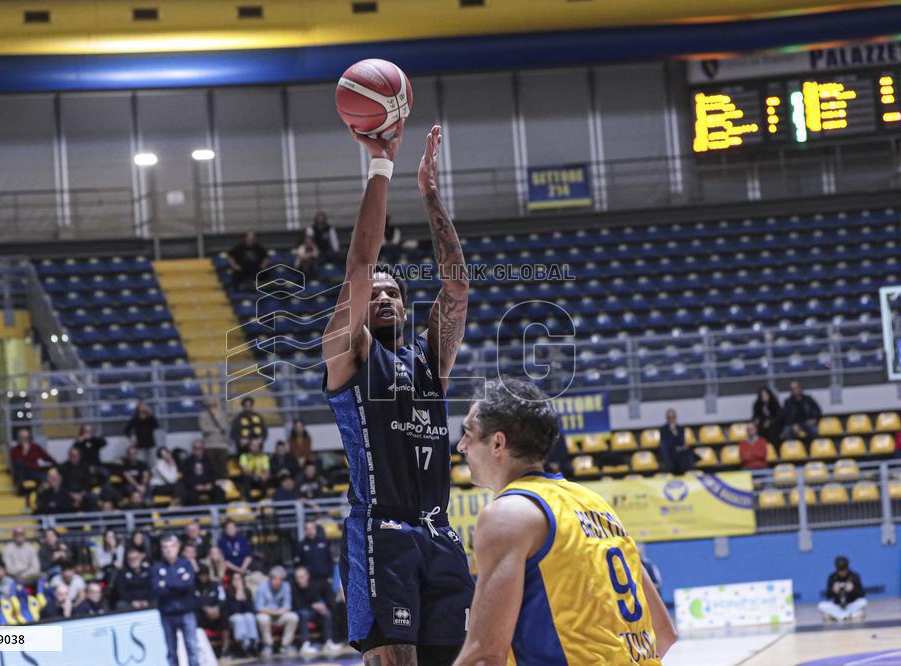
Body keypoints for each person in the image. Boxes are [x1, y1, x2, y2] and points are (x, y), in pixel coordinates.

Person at [323, 123, 475, 663]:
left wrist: (430, 193)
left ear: (406, 308)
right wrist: (381, 167)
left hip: (439, 531)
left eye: (395, 293)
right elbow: (361, 266)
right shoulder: (349, 354)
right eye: (376, 294)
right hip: (380, 531)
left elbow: (455, 287)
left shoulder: (429, 360)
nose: (384, 297)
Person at [453, 378, 677, 665]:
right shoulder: (595, 504)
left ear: (498, 443)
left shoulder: (508, 515)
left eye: (468, 434)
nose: (461, 446)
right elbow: (663, 633)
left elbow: (484, 656)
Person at [152, 533, 200, 666]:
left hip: (186, 611)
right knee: (171, 651)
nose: (168, 550)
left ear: (178, 548)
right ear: (161, 550)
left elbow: (188, 585)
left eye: (171, 546)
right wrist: (178, 582)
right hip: (167, 613)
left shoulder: (186, 564)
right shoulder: (157, 568)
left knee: (192, 648)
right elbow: (157, 589)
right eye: (165, 547)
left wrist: (167, 583)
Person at [255, 565, 299, 659]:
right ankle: (268, 645)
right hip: (267, 615)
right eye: (275, 579)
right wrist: (274, 612)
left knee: (293, 617)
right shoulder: (262, 587)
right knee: (262, 618)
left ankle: (285, 646)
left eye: (280, 579)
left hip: (280, 614)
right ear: (270, 578)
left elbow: (287, 605)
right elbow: (259, 607)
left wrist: (280, 611)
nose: (278, 582)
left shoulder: (286, 586)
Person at [818, 556, 867, 622]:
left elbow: (862, 594)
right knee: (821, 605)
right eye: (840, 570)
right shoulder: (832, 577)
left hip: (851, 604)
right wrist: (833, 590)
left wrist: (853, 589)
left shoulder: (854, 576)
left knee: (864, 602)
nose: (842, 573)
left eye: (844, 570)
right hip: (837, 606)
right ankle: (848, 616)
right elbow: (827, 595)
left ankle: (837, 616)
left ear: (848, 567)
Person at [9, 428, 56, 493]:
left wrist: (56, 463)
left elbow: (46, 457)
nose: (24, 440)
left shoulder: (35, 447)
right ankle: (20, 488)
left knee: (46, 476)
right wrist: (24, 451)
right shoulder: (15, 450)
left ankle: (43, 495)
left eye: (26, 438)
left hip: (35, 471)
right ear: (18, 439)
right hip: (23, 472)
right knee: (19, 464)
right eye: (22, 438)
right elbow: (15, 462)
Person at [180, 440, 224, 506]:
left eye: (199, 448)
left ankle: (218, 513)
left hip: (208, 484)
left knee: (219, 492)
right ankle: (195, 514)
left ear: (203, 449)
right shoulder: (188, 461)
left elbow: (214, 474)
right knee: (189, 495)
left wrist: (210, 484)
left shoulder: (209, 460)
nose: (197, 450)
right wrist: (195, 485)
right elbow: (186, 477)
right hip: (194, 486)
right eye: (195, 448)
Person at [226, 571, 259, 657]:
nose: (237, 581)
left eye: (239, 579)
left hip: (245, 617)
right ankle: (241, 645)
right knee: (239, 618)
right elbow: (233, 611)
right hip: (232, 618)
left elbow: (250, 609)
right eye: (235, 579)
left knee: (249, 616)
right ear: (231, 581)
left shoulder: (247, 591)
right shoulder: (228, 592)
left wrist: (243, 597)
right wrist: (237, 596)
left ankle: (252, 643)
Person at [59, 446, 98, 511]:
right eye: (71, 455)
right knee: (60, 499)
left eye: (75, 455)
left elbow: (90, 482)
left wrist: (82, 493)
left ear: (79, 456)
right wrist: (71, 494)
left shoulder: (86, 467)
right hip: (68, 493)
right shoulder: (63, 467)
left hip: (84, 492)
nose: (73, 457)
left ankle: (93, 520)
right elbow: (60, 484)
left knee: (94, 497)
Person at [199, 399, 232, 476]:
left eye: (214, 405)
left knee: (222, 467)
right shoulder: (203, 416)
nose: (211, 407)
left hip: (222, 445)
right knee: (210, 467)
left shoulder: (222, 415)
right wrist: (216, 430)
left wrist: (215, 418)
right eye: (209, 405)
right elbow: (204, 429)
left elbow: (224, 427)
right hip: (209, 445)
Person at [658, 409, 695, 475]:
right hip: (669, 452)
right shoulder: (663, 429)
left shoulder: (680, 429)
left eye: (673, 417)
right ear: (667, 419)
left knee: (688, 451)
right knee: (663, 448)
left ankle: (685, 470)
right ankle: (671, 468)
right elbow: (664, 442)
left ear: (675, 417)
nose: (671, 419)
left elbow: (681, 442)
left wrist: (674, 432)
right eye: (669, 418)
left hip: (678, 451)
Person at [125, 400, 161, 467]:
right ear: (138, 408)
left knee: (152, 463)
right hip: (140, 445)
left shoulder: (150, 418)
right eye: (141, 406)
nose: (143, 407)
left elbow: (157, 426)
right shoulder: (135, 419)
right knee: (141, 463)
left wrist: (151, 414)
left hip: (150, 444)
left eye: (144, 406)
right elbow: (127, 430)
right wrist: (131, 437)